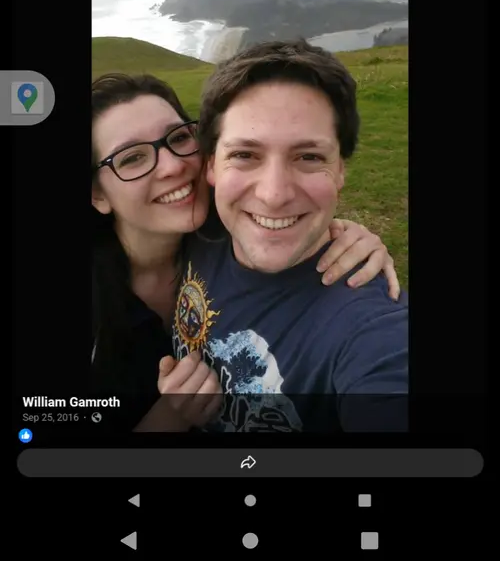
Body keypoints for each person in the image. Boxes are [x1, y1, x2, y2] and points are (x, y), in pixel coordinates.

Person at [91, 70, 401, 432]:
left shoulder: (223, 236)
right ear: (97, 195)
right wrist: (173, 415)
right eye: (131, 158)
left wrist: (343, 234)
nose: (174, 165)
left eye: (178, 138)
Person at [166, 38, 408, 432]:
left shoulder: (371, 329)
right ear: (211, 166)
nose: (274, 195)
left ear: (341, 171)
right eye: (244, 155)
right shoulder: (199, 234)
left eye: (309, 157)